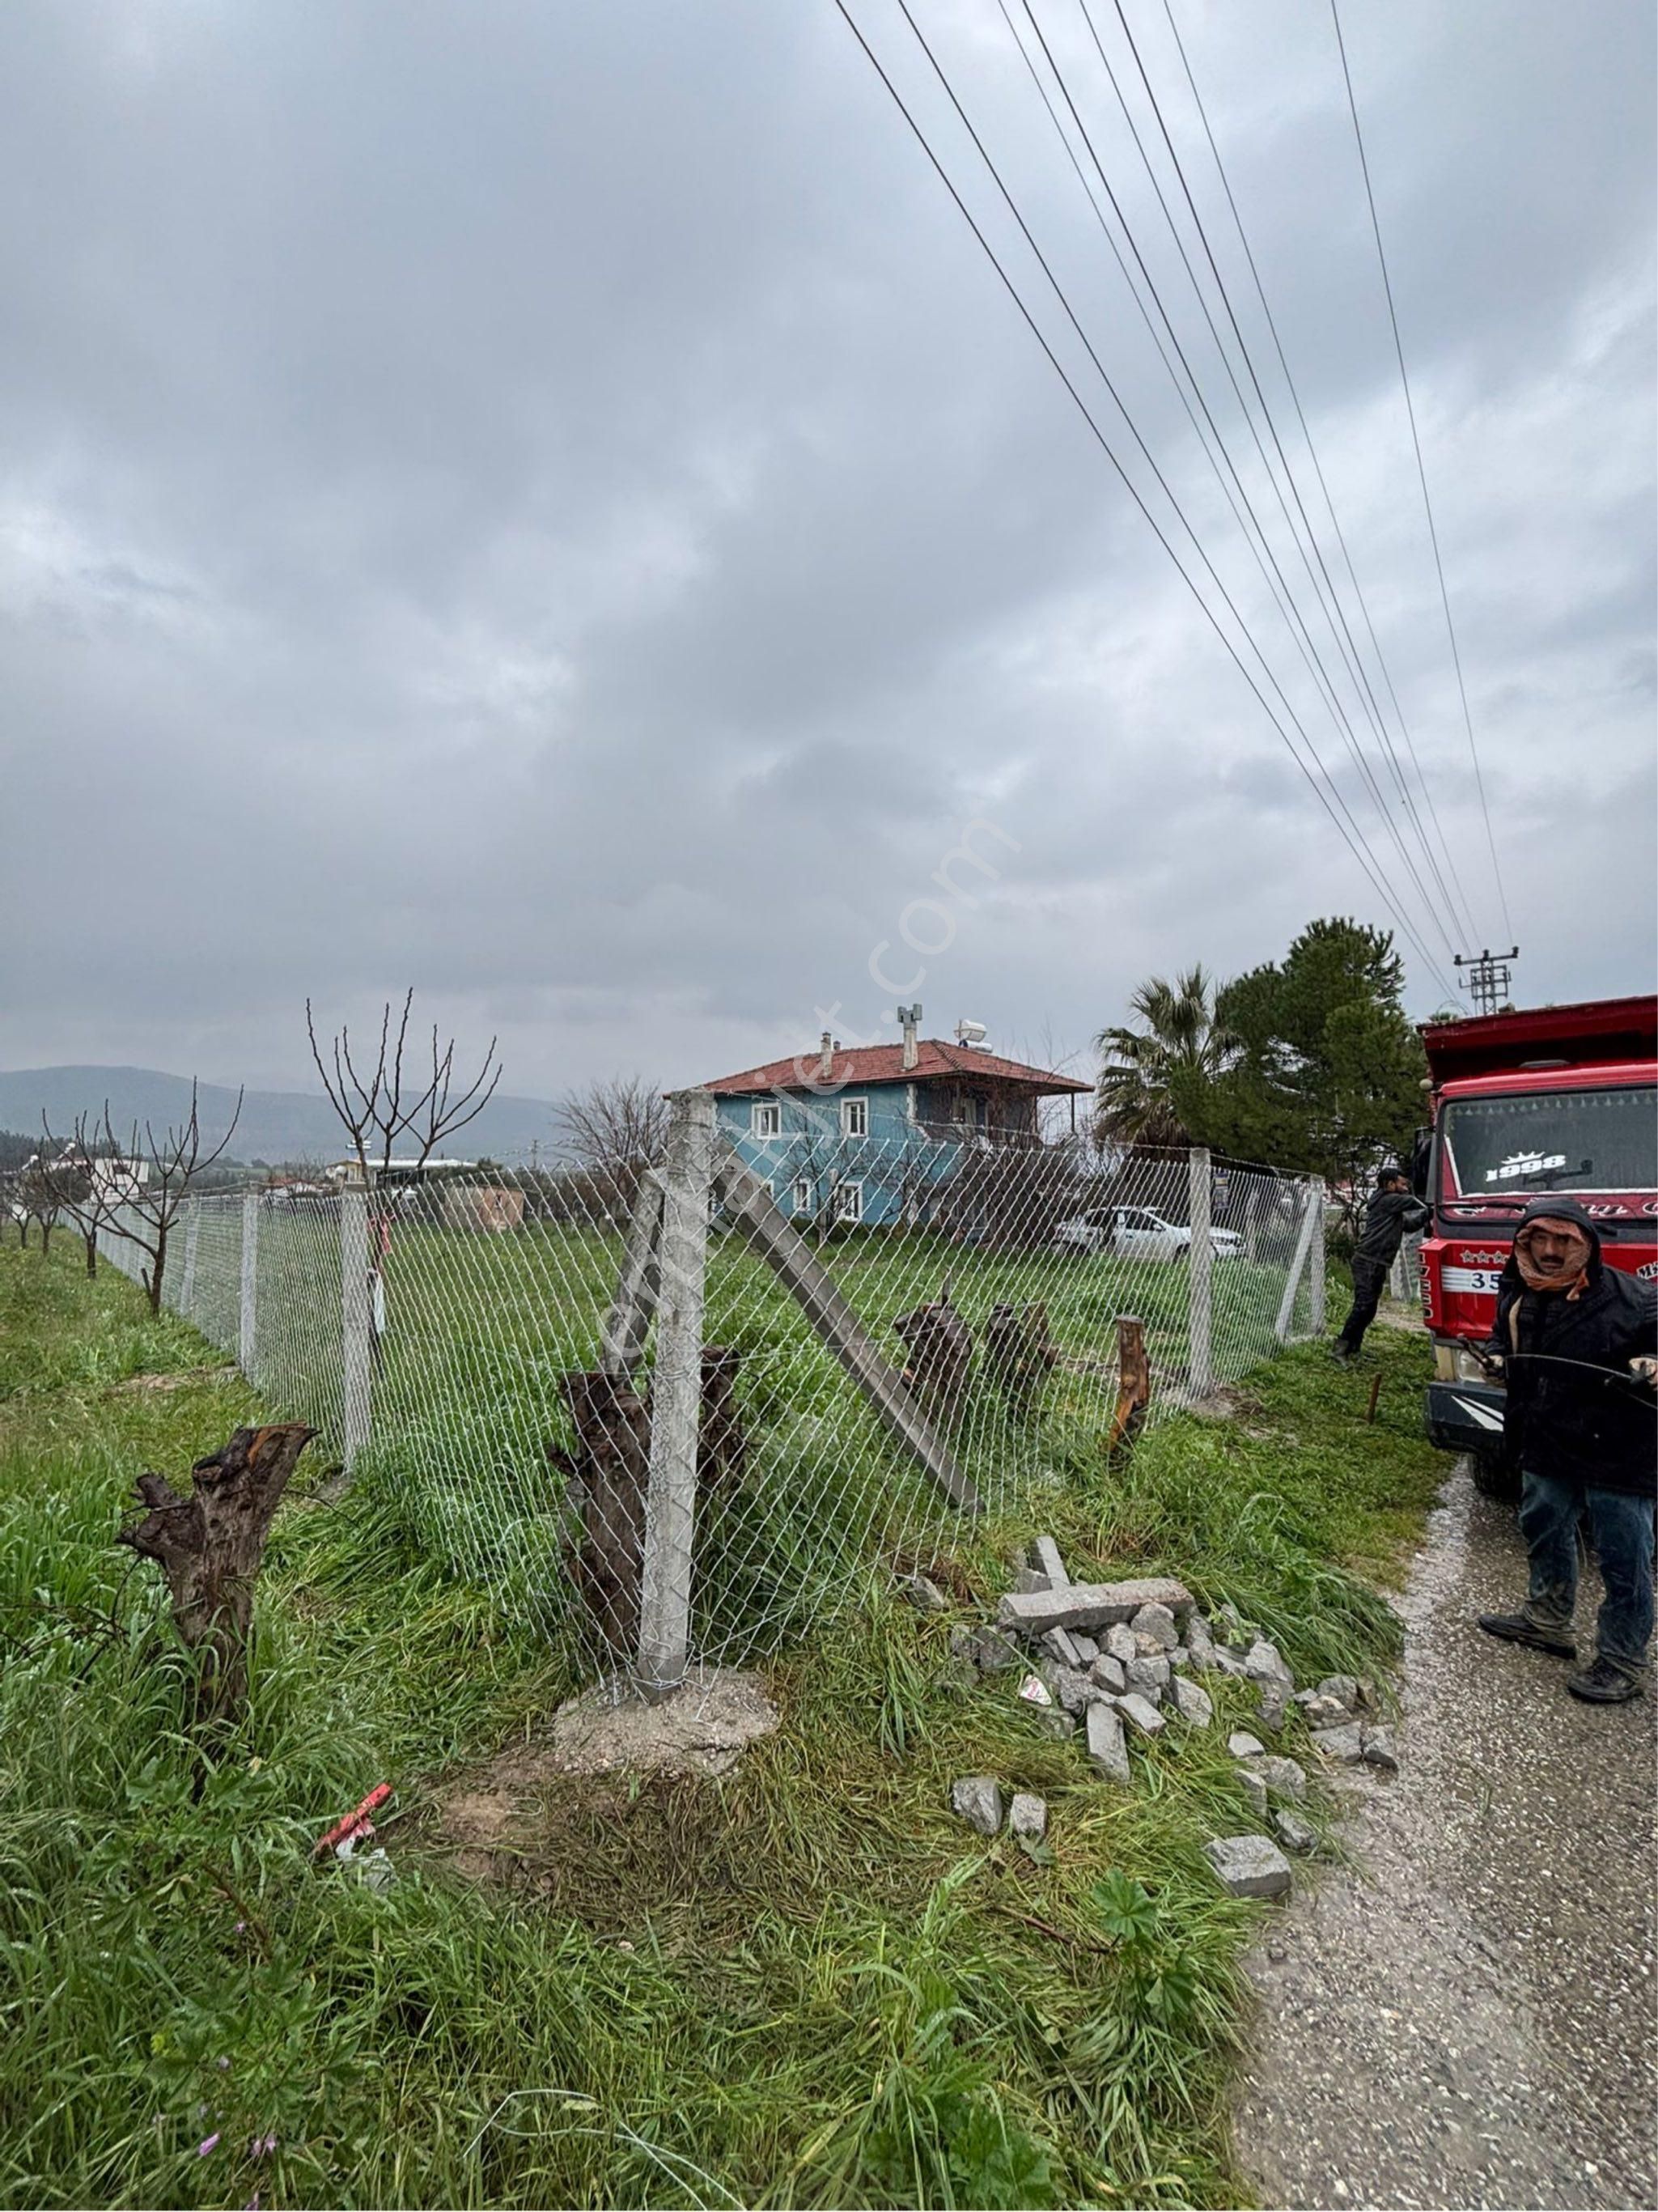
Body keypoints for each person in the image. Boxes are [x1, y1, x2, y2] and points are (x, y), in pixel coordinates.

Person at [1476, 1197, 1658, 1705]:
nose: (1551, 1252)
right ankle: (1548, 1621)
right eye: (1540, 1240)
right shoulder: (1518, 1289)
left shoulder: (1635, 1298)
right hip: (1547, 1439)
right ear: (1523, 1243)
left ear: (1587, 1245)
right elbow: (1501, 1336)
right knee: (1544, 1528)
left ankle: (1622, 1658)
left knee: (1625, 1556)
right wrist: (1495, 1356)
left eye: (1564, 1241)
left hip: (1619, 1449)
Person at [1330, 1165, 1429, 1363]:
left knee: (1369, 1308)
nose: (1405, 1188)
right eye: (1402, 1184)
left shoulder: (1391, 1206)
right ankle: (1339, 1348)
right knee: (1363, 1306)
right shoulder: (1387, 1200)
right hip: (1367, 1260)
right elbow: (1412, 1202)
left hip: (1376, 1262)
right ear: (1389, 1184)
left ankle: (1354, 1348)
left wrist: (1429, 1215)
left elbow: (1409, 1226)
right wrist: (1431, 1203)